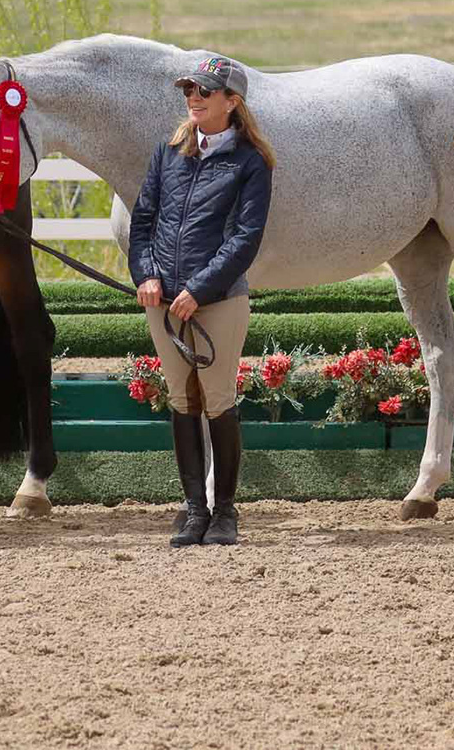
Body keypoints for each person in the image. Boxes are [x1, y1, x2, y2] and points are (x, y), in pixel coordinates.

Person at [129, 55, 274, 548]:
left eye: (204, 91)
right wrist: (146, 275)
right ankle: (194, 510)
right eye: (189, 89)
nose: (193, 97)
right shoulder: (167, 153)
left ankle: (225, 512)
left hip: (217, 301)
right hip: (163, 301)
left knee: (217, 402)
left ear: (232, 103)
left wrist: (198, 290)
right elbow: (143, 221)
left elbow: (245, 239)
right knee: (180, 400)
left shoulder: (251, 163)